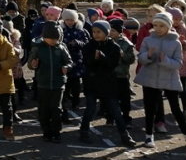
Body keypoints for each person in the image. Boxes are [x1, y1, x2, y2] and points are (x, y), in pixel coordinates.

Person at [79, 19, 137, 148]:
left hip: (108, 83)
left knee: (115, 111)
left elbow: (113, 64)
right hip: (92, 83)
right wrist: (94, 58)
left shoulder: (114, 47)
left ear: (106, 32)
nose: (96, 34)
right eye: (94, 32)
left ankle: (124, 135)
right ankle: (84, 132)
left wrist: (103, 57)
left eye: (99, 31)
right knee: (90, 109)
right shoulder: (88, 46)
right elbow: (87, 64)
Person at [136, 12, 186, 148]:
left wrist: (165, 61)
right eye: (156, 25)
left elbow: (178, 63)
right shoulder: (148, 40)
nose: (158, 28)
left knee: (176, 108)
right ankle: (148, 136)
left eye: (162, 26)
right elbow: (140, 59)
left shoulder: (176, 43)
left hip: (169, 78)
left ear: (169, 26)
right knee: (150, 108)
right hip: (150, 78)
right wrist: (148, 55)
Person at [27, 21, 72, 143]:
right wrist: (33, 64)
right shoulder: (38, 48)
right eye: (50, 38)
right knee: (44, 109)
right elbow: (30, 64)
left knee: (56, 109)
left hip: (58, 84)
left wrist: (66, 68)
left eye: (55, 38)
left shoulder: (61, 48)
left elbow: (69, 62)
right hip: (43, 83)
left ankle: (56, 132)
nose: (53, 41)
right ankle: (46, 132)